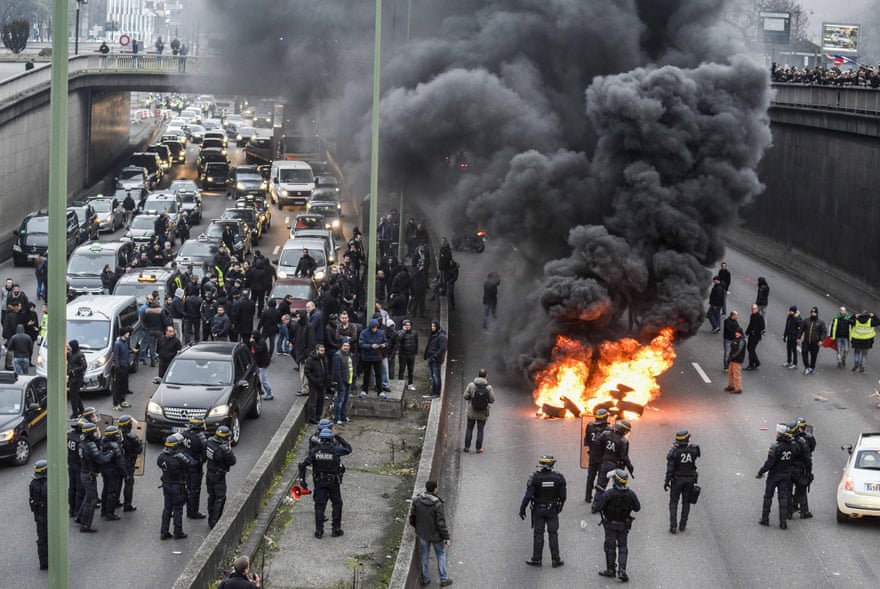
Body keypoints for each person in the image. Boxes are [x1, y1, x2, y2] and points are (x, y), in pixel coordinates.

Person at [298, 428, 352, 538]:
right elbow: (348, 449)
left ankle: (319, 531)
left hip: (320, 482)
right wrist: (340, 439)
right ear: (331, 439)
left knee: (319, 506)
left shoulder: (315, 451)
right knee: (337, 504)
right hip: (333, 482)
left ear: (321, 439)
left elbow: (303, 465)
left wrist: (302, 480)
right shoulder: (335, 450)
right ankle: (336, 529)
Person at [592, 469, 641, 582]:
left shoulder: (608, 493)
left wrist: (601, 496)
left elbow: (598, 507)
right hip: (624, 524)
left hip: (610, 525)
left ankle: (611, 570)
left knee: (610, 547)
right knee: (623, 547)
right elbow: (637, 508)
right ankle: (622, 570)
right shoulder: (630, 494)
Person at [519, 454, 566, 568]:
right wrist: (559, 506)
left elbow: (528, 496)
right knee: (553, 534)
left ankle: (537, 559)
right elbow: (563, 496)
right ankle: (556, 559)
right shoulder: (559, 477)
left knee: (538, 534)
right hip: (552, 510)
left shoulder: (535, 477)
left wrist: (522, 508)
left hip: (539, 510)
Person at [409, 480, 453, 587]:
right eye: (437, 487)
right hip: (436, 535)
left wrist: (417, 528)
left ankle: (425, 579)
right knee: (441, 554)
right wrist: (446, 537)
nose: (438, 489)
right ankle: (443, 579)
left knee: (424, 555)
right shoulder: (437, 504)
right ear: (434, 489)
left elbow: (412, 516)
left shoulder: (417, 500)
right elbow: (441, 523)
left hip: (423, 534)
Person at [757, 422, 800, 529]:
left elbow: (769, 463)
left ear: (781, 435)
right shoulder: (793, 447)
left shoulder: (775, 447)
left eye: (778, 433)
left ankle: (765, 518)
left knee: (768, 497)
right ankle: (783, 522)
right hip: (785, 475)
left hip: (773, 475)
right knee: (783, 498)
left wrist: (761, 472)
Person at [157, 433, 197, 539]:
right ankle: (178, 532)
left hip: (166, 485)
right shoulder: (178, 458)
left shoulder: (161, 456)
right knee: (178, 509)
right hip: (177, 486)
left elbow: (159, 464)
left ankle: (164, 531)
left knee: (167, 508)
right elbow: (192, 464)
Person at [664, 430, 700, 533]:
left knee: (673, 503)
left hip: (677, 480)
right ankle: (683, 524)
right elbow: (696, 455)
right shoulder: (693, 450)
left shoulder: (674, 452)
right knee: (686, 502)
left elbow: (670, 469)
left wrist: (666, 482)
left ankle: (673, 525)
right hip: (690, 480)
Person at [78, 420, 110, 533]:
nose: (98, 433)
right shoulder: (90, 445)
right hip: (89, 475)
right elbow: (101, 459)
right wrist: (111, 454)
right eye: (95, 431)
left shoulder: (83, 442)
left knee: (88, 497)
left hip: (84, 473)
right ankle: (85, 525)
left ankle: (79, 517)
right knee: (91, 500)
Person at [205, 425, 237, 529]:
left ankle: (210, 518)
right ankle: (215, 521)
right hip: (218, 476)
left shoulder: (209, 441)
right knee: (220, 498)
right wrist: (228, 450)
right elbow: (233, 461)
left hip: (209, 473)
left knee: (211, 496)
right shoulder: (223, 449)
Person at [180, 417, 208, 520]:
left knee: (187, 488)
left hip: (185, 465)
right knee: (195, 490)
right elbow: (204, 456)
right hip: (195, 468)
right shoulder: (201, 438)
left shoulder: (185, 434)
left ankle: (188, 510)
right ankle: (193, 512)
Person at [595, 420, 634, 493]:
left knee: (600, 486)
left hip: (605, 464)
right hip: (616, 466)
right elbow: (624, 457)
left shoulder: (606, 434)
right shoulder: (623, 441)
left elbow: (598, 443)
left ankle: (596, 504)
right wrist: (630, 467)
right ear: (624, 431)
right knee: (618, 486)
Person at [462, 369, 495, 453]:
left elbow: (465, 396)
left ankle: (467, 447)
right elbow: (492, 400)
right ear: (486, 376)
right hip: (483, 413)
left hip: (471, 411)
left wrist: (472, 398)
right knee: (480, 430)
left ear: (478, 375)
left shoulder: (471, 385)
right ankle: (478, 448)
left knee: (469, 428)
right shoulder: (488, 387)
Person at [583, 408, 610, 503]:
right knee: (600, 479)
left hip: (592, 455)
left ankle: (587, 497)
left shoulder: (589, 426)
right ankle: (598, 499)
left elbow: (586, 441)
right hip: (603, 457)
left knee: (590, 477)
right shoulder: (608, 430)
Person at [117, 414, 142, 513]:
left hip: (118, 462)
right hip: (128, 463)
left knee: (118, 482)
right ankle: (127, 505)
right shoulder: (132, 437)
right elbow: (139, 450)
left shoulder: (116, 434)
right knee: (129, 484)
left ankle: (115, 501)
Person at [100, 425, 125, 522]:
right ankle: (109, 513)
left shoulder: (103, 442)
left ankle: (103, 510)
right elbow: (120, 462)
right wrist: (125, 474)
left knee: (105, 490)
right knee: (112, 492)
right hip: (113, 472)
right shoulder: (115, 446)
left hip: (104, 470)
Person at [358, 319, 387, 399]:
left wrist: (384, 345)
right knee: (366, 374)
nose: (375, 329)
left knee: (379, 374)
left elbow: (386, 341)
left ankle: (380, 391)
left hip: (377, 357)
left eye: (376, 327)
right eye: (373, 328)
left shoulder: (381, 333)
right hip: (367, 357)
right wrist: (370, 346)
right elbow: (361, 344)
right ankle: (364, 390)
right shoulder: (364, 333)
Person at [29, 459, 48, 569]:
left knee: (41, 538)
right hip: (46, 514)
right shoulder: (46, 486)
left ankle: (43, 562)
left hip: (38, 514)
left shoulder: (33, 483)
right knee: (49, 537)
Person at [332, 338, 355, 425]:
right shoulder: (337, 355)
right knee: (340, 401)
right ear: (341, 346)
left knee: (345, 400)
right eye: (345, 345)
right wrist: (340, 383)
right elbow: (337, 371)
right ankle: (337, 418)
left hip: (348, 381)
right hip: (342, 382)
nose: (346, 347)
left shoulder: (349, 355)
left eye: (348, 346)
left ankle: (343, 416)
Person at [304, 343, 329, 423]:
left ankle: (318, 416)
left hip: (322, 383)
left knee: (320, 401)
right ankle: (312, 418)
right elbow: (307, 372)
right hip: (314, 384)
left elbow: (325, 370)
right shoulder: (310, 359)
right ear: (317, 350)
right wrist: (314, 380)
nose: (323, 352)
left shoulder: (323, 358)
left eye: (323, 350)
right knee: (313, 402)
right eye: (321, 350)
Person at [423, 320, 447, 398]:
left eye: (434, 326)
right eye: (432, 326)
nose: (432, 328)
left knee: (436, 376)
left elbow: (442, 348)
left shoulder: (441, 336)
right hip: (431, 358)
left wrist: (435, 356)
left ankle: (437, 392)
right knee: (433, 376)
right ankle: (434, 392)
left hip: (435, 359)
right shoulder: (434, 334)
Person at [800, 306, 826, 375]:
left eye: (814, 313)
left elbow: (824, 332)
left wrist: (821, 340)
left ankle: (812, 367)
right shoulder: (806, 321)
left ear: (817, 314)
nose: (813, 314)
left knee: (813, 356)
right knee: (804, 353)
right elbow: (801, 330)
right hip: (806, 341)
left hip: (815, 343)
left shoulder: (821, 323)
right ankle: (806, 367)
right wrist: (798, 338)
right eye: (812, 313)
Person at [111, 328, 133, 410]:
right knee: (117, 387)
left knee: (124, 385)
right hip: (120, 368)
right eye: (127, 332)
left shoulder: (125, 342)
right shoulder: (117, 344)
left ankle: (122, 401)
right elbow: (116, 357)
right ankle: (116, 404)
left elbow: (126, 353)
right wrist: (118, 367)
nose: (128, 334)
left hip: (126, 366)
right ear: (123, 333)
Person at [250, 333, 274, 400]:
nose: (251, 338)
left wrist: (253, 342)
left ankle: (270, 394)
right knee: (257, 377)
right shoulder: (258, 341)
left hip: (263, 363)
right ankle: (261, 390)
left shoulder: (261, 342)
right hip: (259, 363)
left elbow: (258, 349)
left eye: (253, 336)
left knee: (264, 380)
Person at [396, 319, 419, 390]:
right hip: (403, 354)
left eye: (409, 325)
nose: (407, 326)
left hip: (411, 354)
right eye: (406, 325)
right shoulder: (400, 332)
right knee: (401, 370)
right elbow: (398, 339)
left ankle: (410, 384)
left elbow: (416, 343)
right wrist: (403, 331)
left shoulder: (414, 333)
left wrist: (415, 352)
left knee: (410, 370)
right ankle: (400, 385)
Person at [744, 304, 765, 371]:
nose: (753, 310)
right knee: (749, 348)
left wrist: (755, 331)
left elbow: (762, 327)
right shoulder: (752, 316)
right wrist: (747, 332)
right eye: (752, 309)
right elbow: (750, 324)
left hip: (756, 336)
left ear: (757, 309)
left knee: (751, 349)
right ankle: (756, 362)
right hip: (751, 335)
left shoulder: (760, 317)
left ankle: (751, 364)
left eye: (754, 309)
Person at [725, 329, 746, 394]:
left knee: (736, 374)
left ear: (741, 333)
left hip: (737, 360)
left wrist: (732, 356)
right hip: (733, 359)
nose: (736, 334)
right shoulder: (737, 339)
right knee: (730, 373)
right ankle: (731, 386)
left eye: (738, 333)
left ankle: (738, 388)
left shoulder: (741, 341)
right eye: (736, 333)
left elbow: (739, 350)